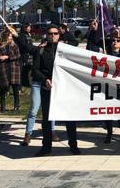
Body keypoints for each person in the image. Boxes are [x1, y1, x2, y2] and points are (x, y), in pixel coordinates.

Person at [34, 25, 80, 156]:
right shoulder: (41, 51)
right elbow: (35, 70)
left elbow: (75, 43)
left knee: (69, 117)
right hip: (47, 88)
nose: (52, 36)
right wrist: (45, 80)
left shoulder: (66, 50)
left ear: (59, 35)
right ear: (46, 35)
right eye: (50, 33)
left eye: (55, 33)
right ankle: (46, 146)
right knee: (47, 119)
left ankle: (73, 145)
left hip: (64, 88)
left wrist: (66, 30)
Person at [104, 30, 120, 144]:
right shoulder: (105, 55)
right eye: (113, 40)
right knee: (108, 111)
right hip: (109, 85)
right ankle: (109, 134)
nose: (115, 42)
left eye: (118, 41)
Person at [0, 28, 22, 112]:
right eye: (9, 36)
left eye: (11, 36)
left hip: (14, 68)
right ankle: (2, 106)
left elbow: (18, 55)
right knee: (3, 88)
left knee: (15, 89)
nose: (10, 38)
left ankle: (16, 106)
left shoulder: (14, 45)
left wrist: (8, 57)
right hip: (3, 68)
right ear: (5, 37)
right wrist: (1, 57)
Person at [16, 23, 35, 88]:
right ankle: (22, 84)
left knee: (27, 70)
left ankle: (26, 83)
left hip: (29, 55)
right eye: (28, 27)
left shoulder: (27, 34)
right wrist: (31, 47)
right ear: (25, 28)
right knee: (23, 71)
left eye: (30, 27)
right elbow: (23, 46)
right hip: (24, 55)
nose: (30, 28)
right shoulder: (22, 36)